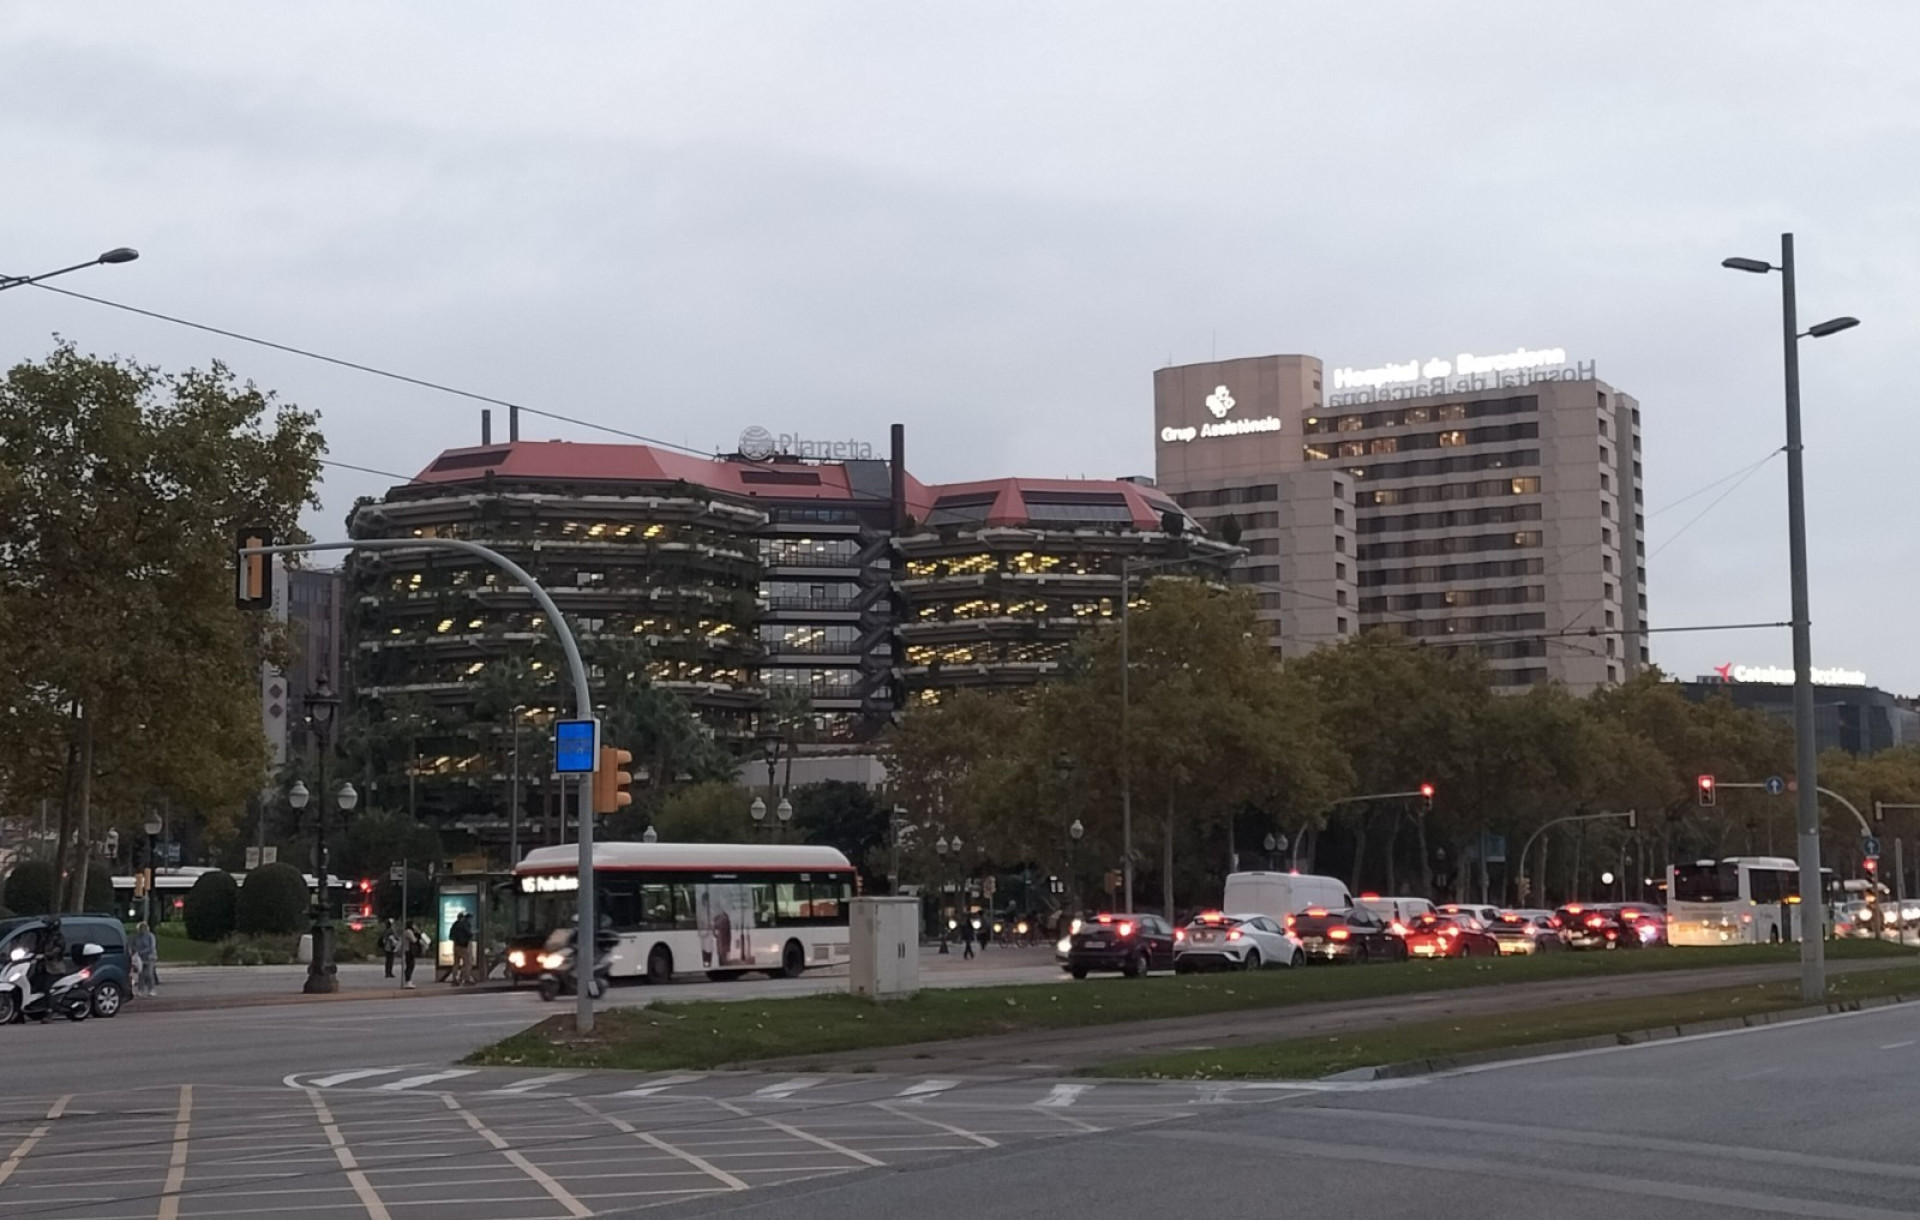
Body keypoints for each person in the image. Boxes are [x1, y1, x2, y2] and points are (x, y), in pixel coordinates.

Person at [131, 921, 159, 996]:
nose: (142, 930)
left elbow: (151, 947)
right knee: (141, 974)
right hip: (140, 958)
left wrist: (141, 952)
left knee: (149, 974)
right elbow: (133, 945)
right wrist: (136, 952)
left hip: (150, 957)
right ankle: (140, 990)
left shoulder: (150, 936)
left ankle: (151, 989)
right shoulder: (136, 937)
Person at [448, 912, 474, 986]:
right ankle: (466, 979)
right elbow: (469, 934)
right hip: (463, 946)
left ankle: (454, 980)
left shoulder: (455, 924)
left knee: (456, 963)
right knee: (468, 962)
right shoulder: (464, 924)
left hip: (455, 945)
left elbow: (450, 936)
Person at [401, 920, 426, 989]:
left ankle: (408, 980)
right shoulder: (408, 932)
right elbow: (414, 940)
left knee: (411, 965)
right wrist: (417, 933)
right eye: (414, 925)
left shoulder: (409, 931)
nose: (415, 926)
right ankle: (407, 981)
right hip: (409, 950)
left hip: (409, 950)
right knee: (410, 965)